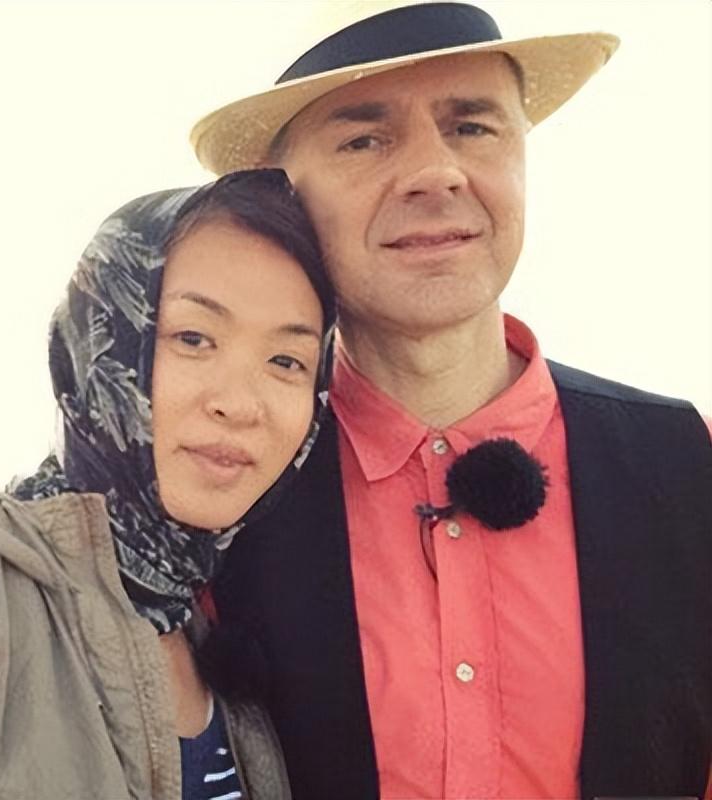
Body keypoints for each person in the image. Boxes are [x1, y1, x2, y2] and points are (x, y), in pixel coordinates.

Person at [190, 3, 712, 799]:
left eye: (472, 127)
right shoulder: (220, 486)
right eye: (365, 140)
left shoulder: (688, 464)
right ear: (282, 195)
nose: (435, 172)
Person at [0, 168, 336, 800]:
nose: (241, 404)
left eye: (286, 361)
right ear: (97, 344)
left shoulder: (222, 632)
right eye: (193, 338)